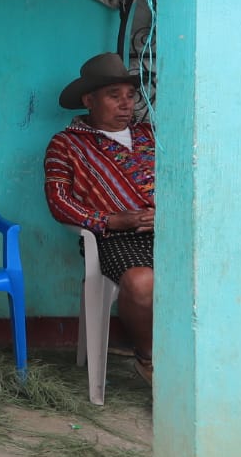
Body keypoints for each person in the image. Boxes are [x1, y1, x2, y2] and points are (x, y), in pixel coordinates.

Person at [44, 53, 157, 385]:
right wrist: (111, 221)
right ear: (88, 100)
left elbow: (188, 178)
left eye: (130, 95)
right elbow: (59, 201)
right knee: (141, 281)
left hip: (170, 232)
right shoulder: (66, 144)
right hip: (114, 239)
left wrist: (170, 214)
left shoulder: (152, 135)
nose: (125, 104)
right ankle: (149, 359)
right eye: (114, 96)